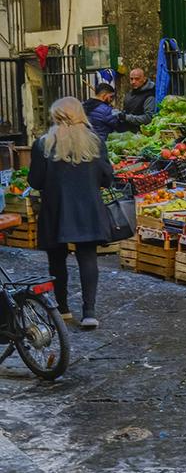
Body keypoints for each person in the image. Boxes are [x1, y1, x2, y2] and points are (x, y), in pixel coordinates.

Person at [28, 97, 113, 329]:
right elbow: (107, 178)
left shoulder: (43, 144)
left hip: (55, 209)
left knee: (56, 260)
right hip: (88, 209)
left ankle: (63, 309)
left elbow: (35, 180)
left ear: (55, 116)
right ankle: (89, 312)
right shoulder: (95, 142)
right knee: (87, 257)